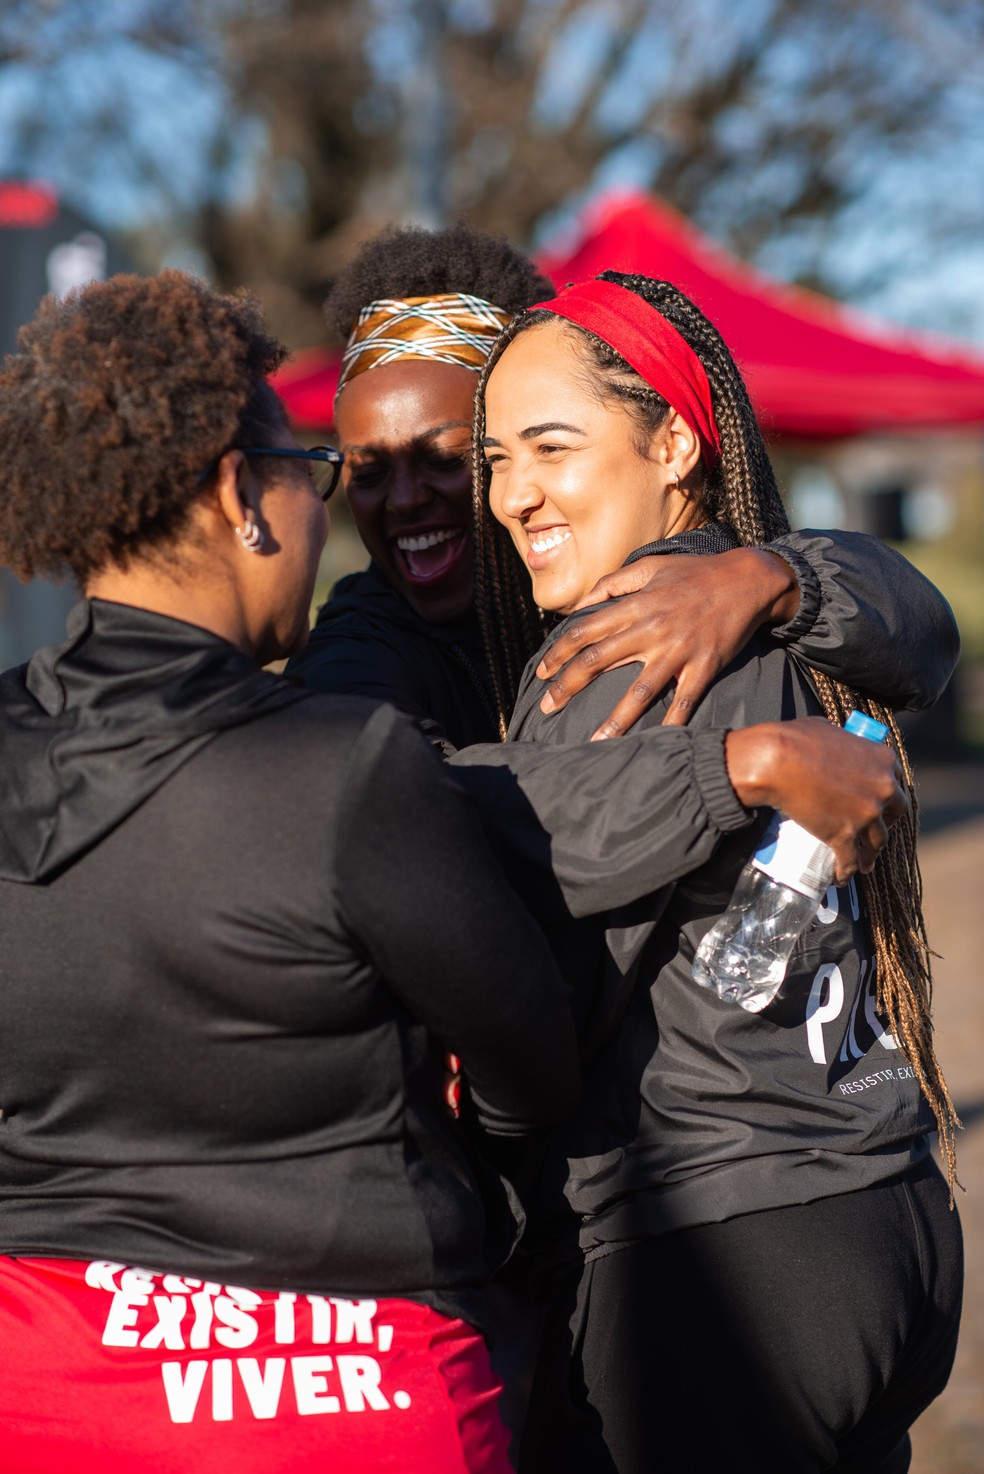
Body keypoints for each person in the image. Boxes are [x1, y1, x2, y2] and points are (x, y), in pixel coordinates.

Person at [0, 269, 585, 1474]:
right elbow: (534, 1059)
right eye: (314, 473)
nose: (326, 515)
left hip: (41, 1383)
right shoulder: (344, 768)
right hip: (345, 1391)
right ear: (237, 494)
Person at [471, 271, 964, 1474]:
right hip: (884, 1215)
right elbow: (916, 624)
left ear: (675, 440)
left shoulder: (621, 647)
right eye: (494, 454)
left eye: (551, 444)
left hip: (723, 1257)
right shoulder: (765, 614)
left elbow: (531, 965)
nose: (511, 490)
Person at [289, 223, 959, 751]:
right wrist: (742, 769)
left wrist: (777, 581)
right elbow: (413, 816)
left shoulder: (703, 594)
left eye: (449, 459)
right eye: (368, 470)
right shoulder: (359, 648)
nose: (403, 499)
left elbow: (926, 640)